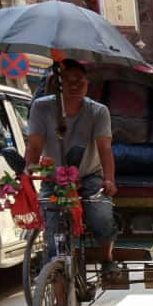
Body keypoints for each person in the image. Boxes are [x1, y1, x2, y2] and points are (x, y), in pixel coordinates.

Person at [26, 59, 117, 271]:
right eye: (67, 80)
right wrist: (27, 174)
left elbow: (104, 148)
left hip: (89, 176)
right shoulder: (41, 107)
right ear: (58, 83)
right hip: (53, 177)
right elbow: (35, 145)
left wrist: (109, 179)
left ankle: (107, 258)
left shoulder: (98, 111)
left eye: (79, 80)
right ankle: (58, 298)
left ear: (87, 83)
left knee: (101, 218)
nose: (74, 85)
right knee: (51, 239)